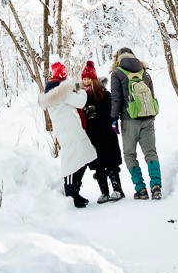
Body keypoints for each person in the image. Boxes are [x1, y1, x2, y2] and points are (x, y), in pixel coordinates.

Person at [39, 61, 97, 208]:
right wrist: (82, 90)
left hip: (66, 129)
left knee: (82, 156)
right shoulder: (61, 91)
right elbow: (80, 102)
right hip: (69, 129)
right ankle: (71, 193)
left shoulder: (51, 91)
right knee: (72, 160)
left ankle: (74, 191)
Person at [107, 47, 163, 199]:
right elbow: (151, 96)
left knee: (130, 154)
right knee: (150, 152)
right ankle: (156, 186)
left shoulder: (117, 74)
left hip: (129, 119)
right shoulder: (144, 72)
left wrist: (113, 119)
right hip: (148, 118)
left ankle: (141, 189)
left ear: (118, 58)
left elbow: (116, 99)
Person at [78, 62, 124, 202]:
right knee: (98, 164)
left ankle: (117, 190)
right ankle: (104, 191)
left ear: (93, 79)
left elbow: (109, 107)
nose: (85, 82)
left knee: (110, 163)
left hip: (106, 133)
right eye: (84, 79)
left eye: (88, 79)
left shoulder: (103, 93)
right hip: (92, 134)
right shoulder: (81, 95)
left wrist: (94, 110)